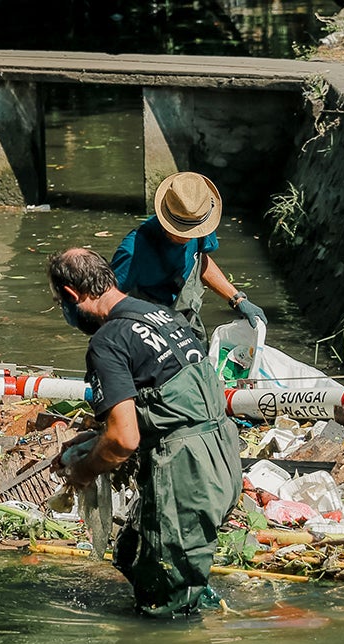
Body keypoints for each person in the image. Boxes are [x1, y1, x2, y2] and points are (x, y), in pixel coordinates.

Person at [50, 246, 242, 618]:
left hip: (187, 476)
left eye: (61, 301)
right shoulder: (159, 314)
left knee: (166, 613)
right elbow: (173, 408)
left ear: (72, 295)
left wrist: (83, 471)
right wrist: (94, 439)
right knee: (131, 556)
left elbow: (125, 439)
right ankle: (203, 601)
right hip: (222, 457)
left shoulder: (107, 341)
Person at [110, 171, 266, 334]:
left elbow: (200, 260)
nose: (191, 235)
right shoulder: (134, 250)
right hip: (148, 328)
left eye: (195, 230)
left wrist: (236, 299)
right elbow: (106, 300)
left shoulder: (200, 220)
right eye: (184, 231)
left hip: (187, 319)